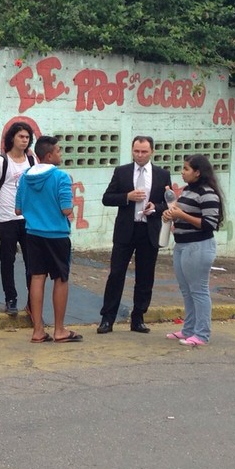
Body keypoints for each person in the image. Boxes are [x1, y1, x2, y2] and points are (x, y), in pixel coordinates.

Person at [98, 136, 171, 334]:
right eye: (136, 151)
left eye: (144, 152)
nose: (139, 155)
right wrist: (126, 197)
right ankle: (107, 318)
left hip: (149, 230)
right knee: (116, 274)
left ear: (152, 152)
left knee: (145, 276)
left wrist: (155, 207)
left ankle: (138, 317)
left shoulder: (162, 174)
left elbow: (169, 202)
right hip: (126, 230)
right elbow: (106, 198)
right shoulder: (122, 172)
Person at [15, 135, 80, 343]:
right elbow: (66, 208)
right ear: (49, 155)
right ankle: (60, 329)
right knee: (61, 279)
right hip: (57, 235)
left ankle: (38, 330)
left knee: (37, 278)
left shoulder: (26, 176)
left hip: (33, 233)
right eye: (59, 151)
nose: (61, 154)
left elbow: (18, 208)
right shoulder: (61, 177)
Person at [160, 155, 223, 346]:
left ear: (197, 172)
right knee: (186, 290)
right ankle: (188, 329)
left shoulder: (208, 194)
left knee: (199, 290)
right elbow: (182, 213)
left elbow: (209, 224)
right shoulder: (188, 191)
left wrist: (181, 215)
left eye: (186, 169)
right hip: (181, 244)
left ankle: (202, 334)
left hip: (198, 246)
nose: (182, 172)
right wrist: (171, 215)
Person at [0, 122, 36, 316]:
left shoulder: (32, 161)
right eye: (21, 136)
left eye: (27, 137)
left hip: (28, 217)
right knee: (7, 260)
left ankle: (33, 300)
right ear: (12, 138)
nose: (24, 140)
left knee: (32, 261)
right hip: (6, 217)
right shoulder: (1, 162)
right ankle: (11, 298)